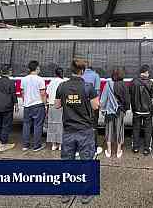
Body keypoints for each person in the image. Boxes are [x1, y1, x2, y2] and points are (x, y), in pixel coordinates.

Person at [55, 59, 99, 205]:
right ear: (83, 71)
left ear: (71, 70)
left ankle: (65, 193)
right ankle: (86, 194)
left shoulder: (62, 86)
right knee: (86, 161)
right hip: (85, 130)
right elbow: (95, 106)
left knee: (67, 162)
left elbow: (57, 105)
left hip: (68, 130)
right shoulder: (88, 87)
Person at [100, 69, 130, 158]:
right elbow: (127, 100)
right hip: (119, 111)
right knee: (119, 129)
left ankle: (109, 151)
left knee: (109, 130)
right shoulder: (123, 85)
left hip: (109, 111)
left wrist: (103, 110)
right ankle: (118, 151)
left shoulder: (108, 84)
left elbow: (103, 100)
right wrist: (125, 110)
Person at [130, 65, 153, 156]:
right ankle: (146, 148)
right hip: (147, 111)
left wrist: (133, 108)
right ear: (146, 72)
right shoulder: (151, 83)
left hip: (136, 110)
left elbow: (131, 96)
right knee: (148, 130)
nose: (149, 74)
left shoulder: (133, 82)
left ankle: (135, 147)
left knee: (136, 129)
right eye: (148, 72)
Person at [21, 61, 46, 152]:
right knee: (38, 125)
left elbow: (23, 93)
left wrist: (25, 102)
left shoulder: (24, 79)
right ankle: (36, 146)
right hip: (38, 105)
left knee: (26, 125)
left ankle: (25, 145)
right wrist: (45, 105)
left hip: (27, 105)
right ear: (37, 68)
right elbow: (43, 94)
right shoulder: (40, 79)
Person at [0, 65, 18, 152]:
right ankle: (4, 144)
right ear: (9, 72)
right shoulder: (11, 82)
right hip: (7, 107)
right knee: (6, 125)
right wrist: (16, 105)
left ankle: (0, 141)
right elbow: (13, 95)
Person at [82, 65, 103, 155]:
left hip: (81, 105)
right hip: (92, 104)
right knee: (93, 125)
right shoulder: (96, 75)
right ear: (93, 69)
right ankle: (93, 147)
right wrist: (98, 104)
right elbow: (97, 91)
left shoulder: (81, 75)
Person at [46, 67, 68, 151]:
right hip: (62, 105)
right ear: (62, 73)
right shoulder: (64, 82)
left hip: (52, 105)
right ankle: (60, 145)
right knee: (61, 125)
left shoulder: (52, 82)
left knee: (52, 124)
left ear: (55, 74)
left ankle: (53, 144)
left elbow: (47, 93)